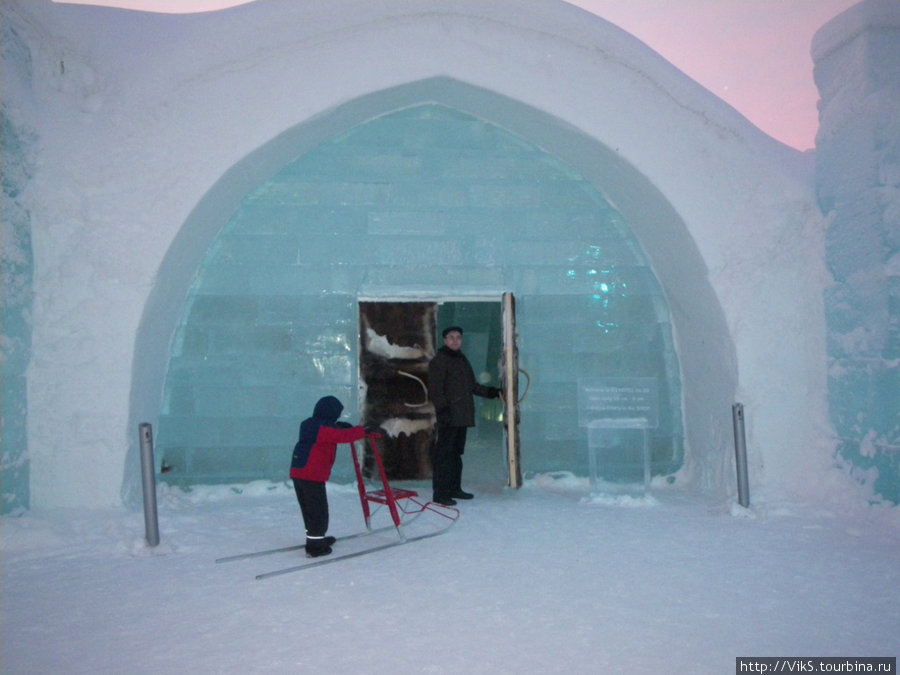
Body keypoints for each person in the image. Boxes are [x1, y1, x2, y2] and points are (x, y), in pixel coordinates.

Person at [427, 326, 500, 506]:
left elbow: (472, 386)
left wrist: (493, 392)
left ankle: (454, 489)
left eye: (458, 337)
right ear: (445, 340)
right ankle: (440, 494)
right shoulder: (440, 360)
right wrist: (443, 411)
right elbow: (435, 390)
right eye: (451, 337)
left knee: (455, 455)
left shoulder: (461, 359)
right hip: (449, 417)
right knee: (444, 456)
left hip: (462, 417)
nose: (455, 340)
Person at [290, 396, 367, 557]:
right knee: (318, 511)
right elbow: (341, 437)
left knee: (309, 509)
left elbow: (329, 430)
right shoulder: (323, 429)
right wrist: (363, 431)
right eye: (336, 415)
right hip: (311, 475)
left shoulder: (308, 424)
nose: (337, 417)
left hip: (299, 472)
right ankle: (315, 547)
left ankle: (315, 537)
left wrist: (339, 426)